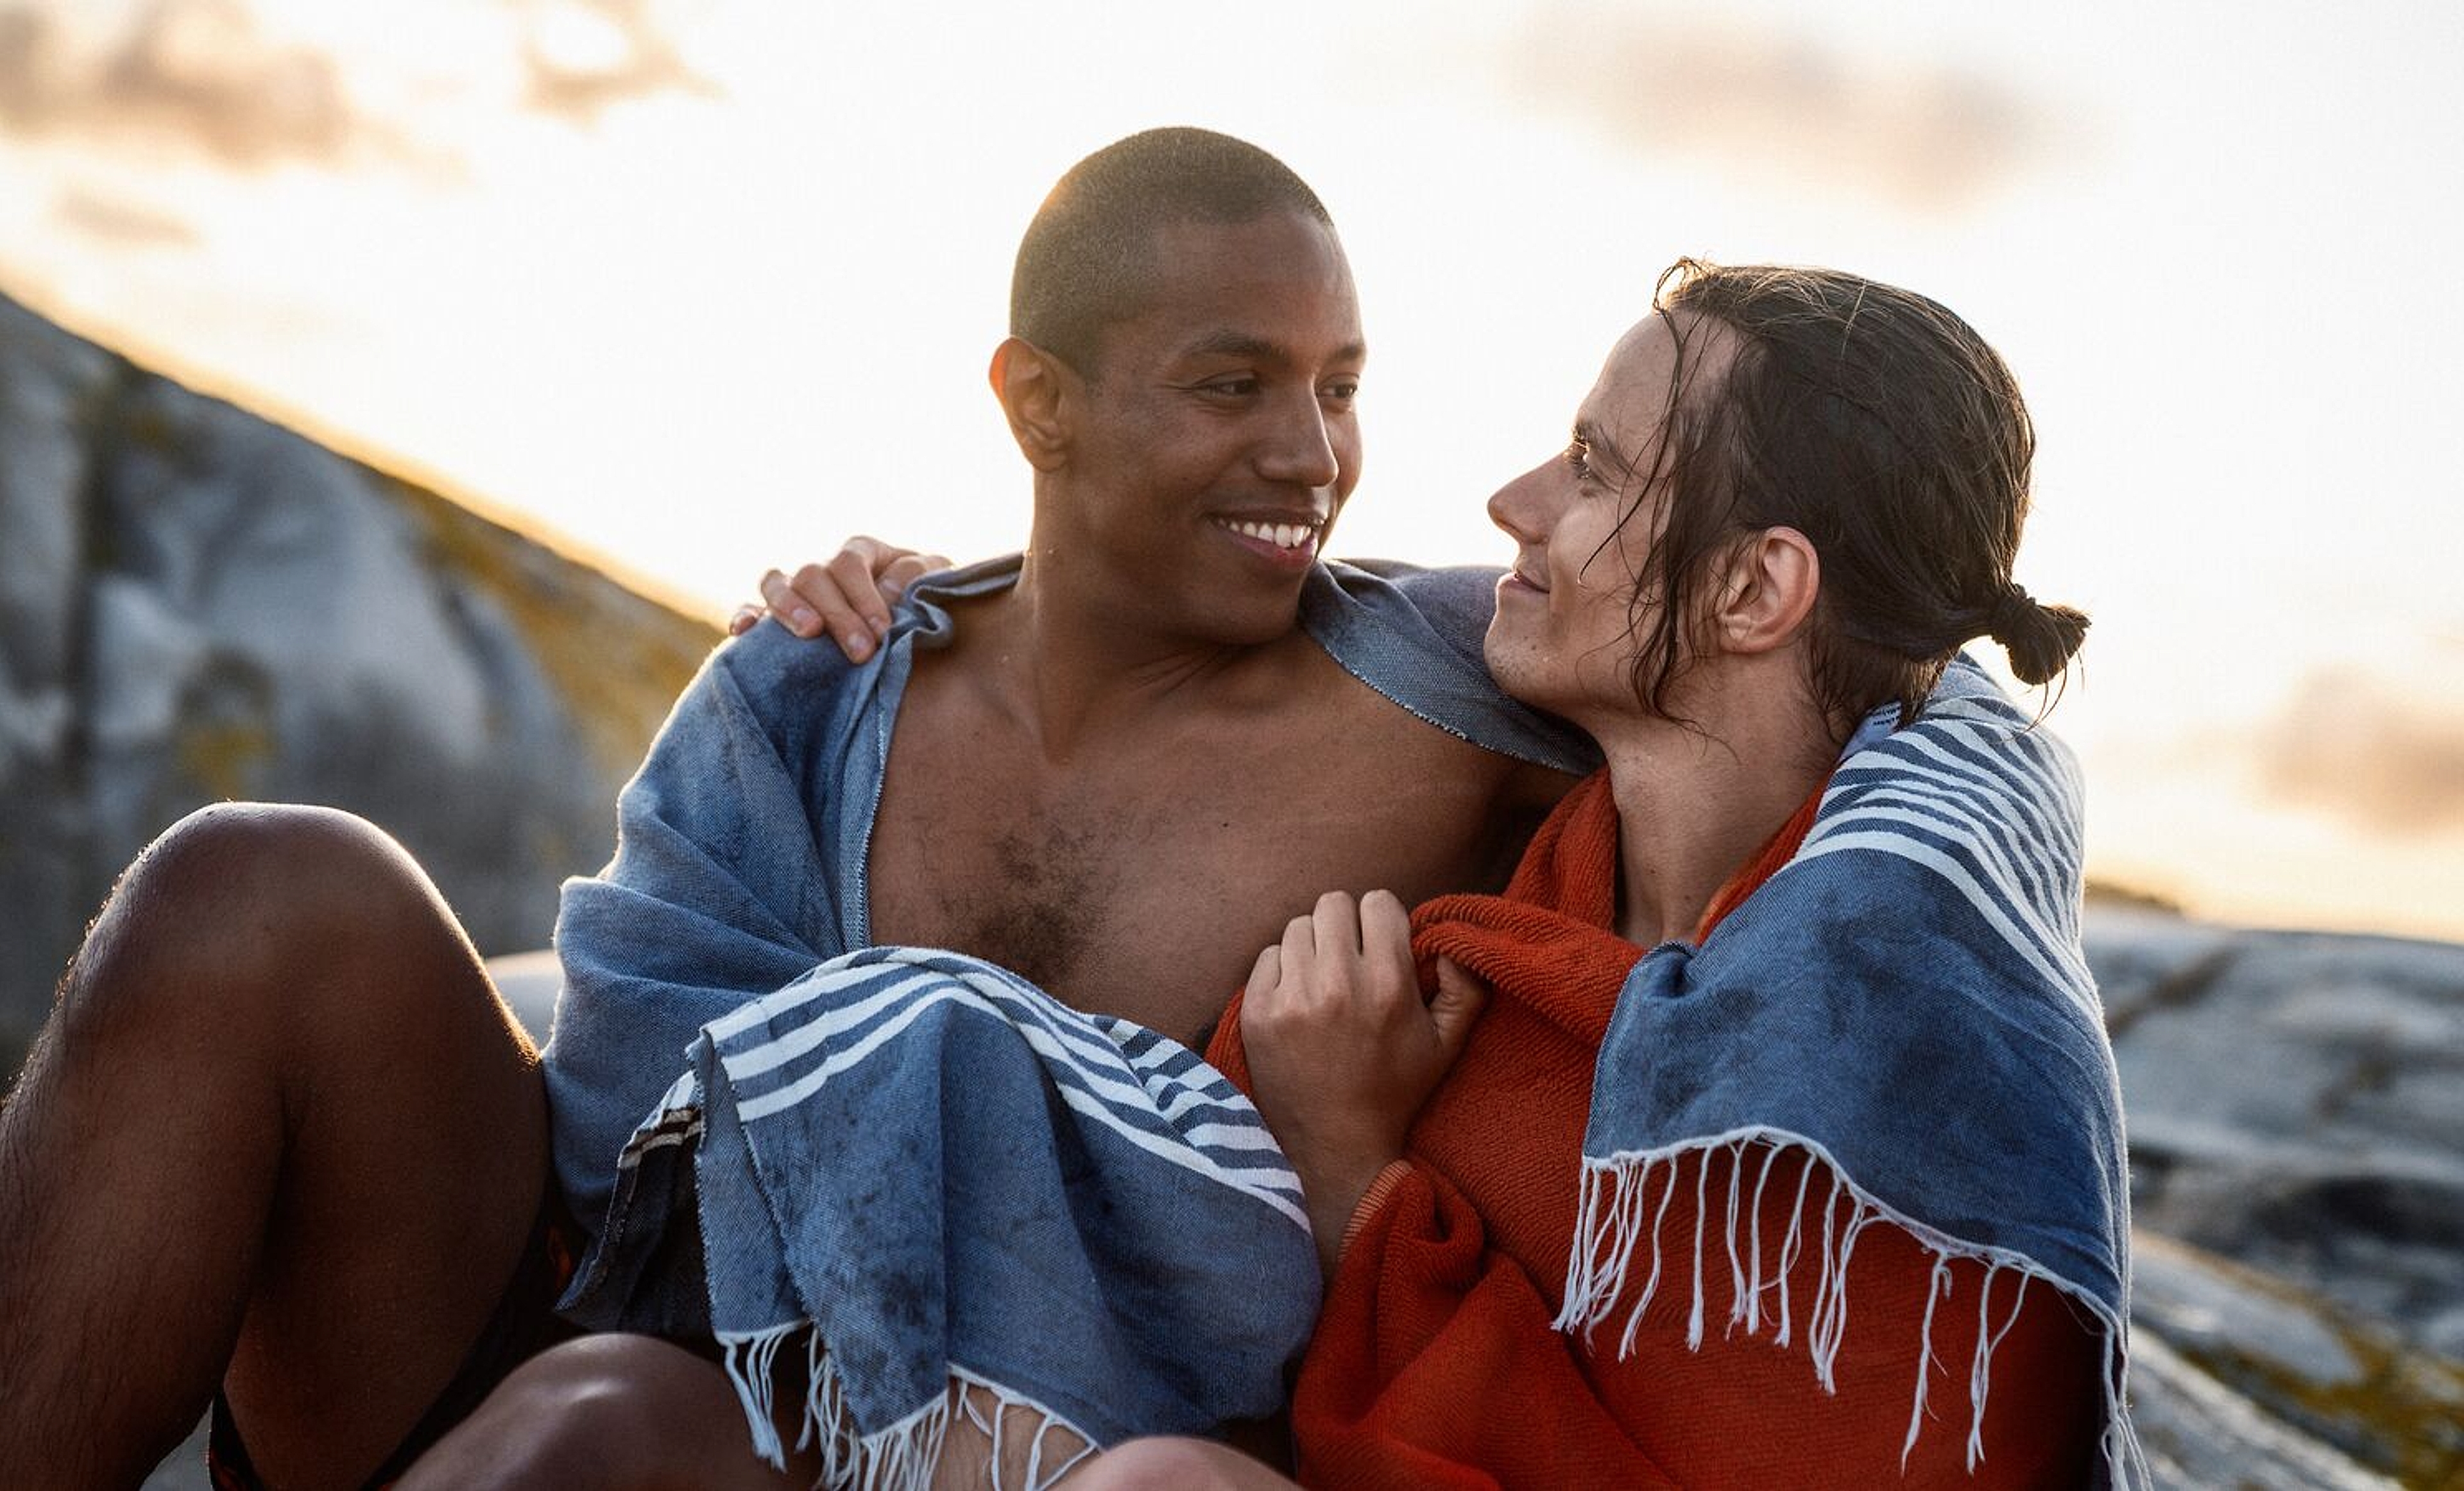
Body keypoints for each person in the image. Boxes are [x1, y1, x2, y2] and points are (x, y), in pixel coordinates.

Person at [0, 127, 1589, 1490]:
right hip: (613, 1316)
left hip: (1047, 1431)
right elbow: (620, 1112)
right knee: (259, 881)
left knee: (597, 1421)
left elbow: (1741, 658)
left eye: (1344, 386)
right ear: (1039, 404)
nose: (1312, 455)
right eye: (1232, 384)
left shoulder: (1450, 688)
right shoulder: (815, 690)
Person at [770, 263, 2142, 1487]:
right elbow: (1223, 629)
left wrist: (1353, 1173)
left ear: (1751, 592)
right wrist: (942, 623)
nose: (1514, 504)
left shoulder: (1906, 1080)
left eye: (1594, 469)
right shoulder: (1512, 908)